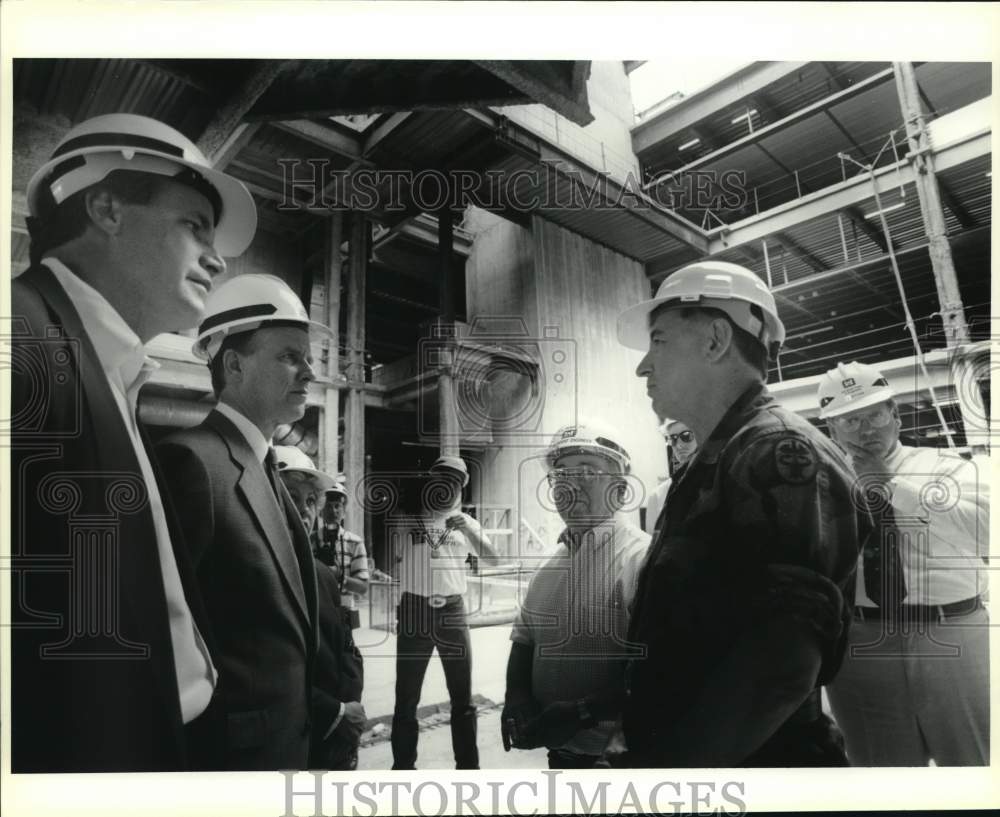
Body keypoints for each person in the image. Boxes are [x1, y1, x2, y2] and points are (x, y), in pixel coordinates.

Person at [10, 112, 255, 772]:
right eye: (194, 225)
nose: (217, 256)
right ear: (108, 207)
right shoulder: (21, 342)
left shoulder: (112, 372)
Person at [614, 259, 869, 767]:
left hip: (756, 769)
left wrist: (670, 777)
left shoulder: (776, 451)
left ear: (714, 340)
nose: (643, 366)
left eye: (659, 341)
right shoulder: (717, 458)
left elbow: (782, 664)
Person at [156, 273, 331, 770]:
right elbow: (162, 644)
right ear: (233, 363)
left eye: (308, 358)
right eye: (289, 356)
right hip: (230, 763)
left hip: (282, 749)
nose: (308, 373)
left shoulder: (263, 465)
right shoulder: (192, 464)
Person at [816, 361, 989, 766]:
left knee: (974, 764)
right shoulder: (821, 483)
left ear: (894, 414)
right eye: (850, 420)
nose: (866, 429)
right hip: (862, 641)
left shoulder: (947, 466)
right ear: (832, 431)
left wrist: (890, 484)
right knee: (882, 772)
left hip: (952, 636)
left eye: (874, 414)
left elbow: (985, 532)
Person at [502, 422, 650, 769]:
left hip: (619, 758)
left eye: (587, 471)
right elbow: (524, 637)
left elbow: (662, 669)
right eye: (560, 474)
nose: (569, 483)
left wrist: (581, 713)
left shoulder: (642, 559)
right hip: (561, 753)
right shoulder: (551, 566)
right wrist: (516, 696)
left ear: (620, 490)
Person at [390, 456, 499, 770]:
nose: (447, 486)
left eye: (454, 481)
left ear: (461, 486)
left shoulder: (467, 523)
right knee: (406, 698)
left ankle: (467, 770)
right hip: (414, 610)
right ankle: (402, 769)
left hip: (452, 611)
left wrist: (470, 531)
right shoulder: (406, 516)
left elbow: (493, 560)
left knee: (462, 699)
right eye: (441, 479)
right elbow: (390, 558)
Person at [274, 446, 366, 771]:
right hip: (290, 742)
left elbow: (347, 649)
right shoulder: (256, 574)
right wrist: (336, 713)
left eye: (311, 501)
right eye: (290, 497)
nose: (303, 510)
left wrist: (350, 706)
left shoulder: (322, 575)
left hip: (334, 740)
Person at [315, 480, 370, 630]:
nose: (333, 511)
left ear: (344, 512)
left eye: (338, 506)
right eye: (328, 506)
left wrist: (340, 577)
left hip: (343, 611)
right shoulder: (310, 541)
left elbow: (363, 587)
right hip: (316, 611)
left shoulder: (355, 543)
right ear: (320, 511)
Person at [644, 419, 698, 537]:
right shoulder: (658, 495)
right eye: (673, 439)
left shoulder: (719, 480)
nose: (678, 446)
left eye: (686, 436)